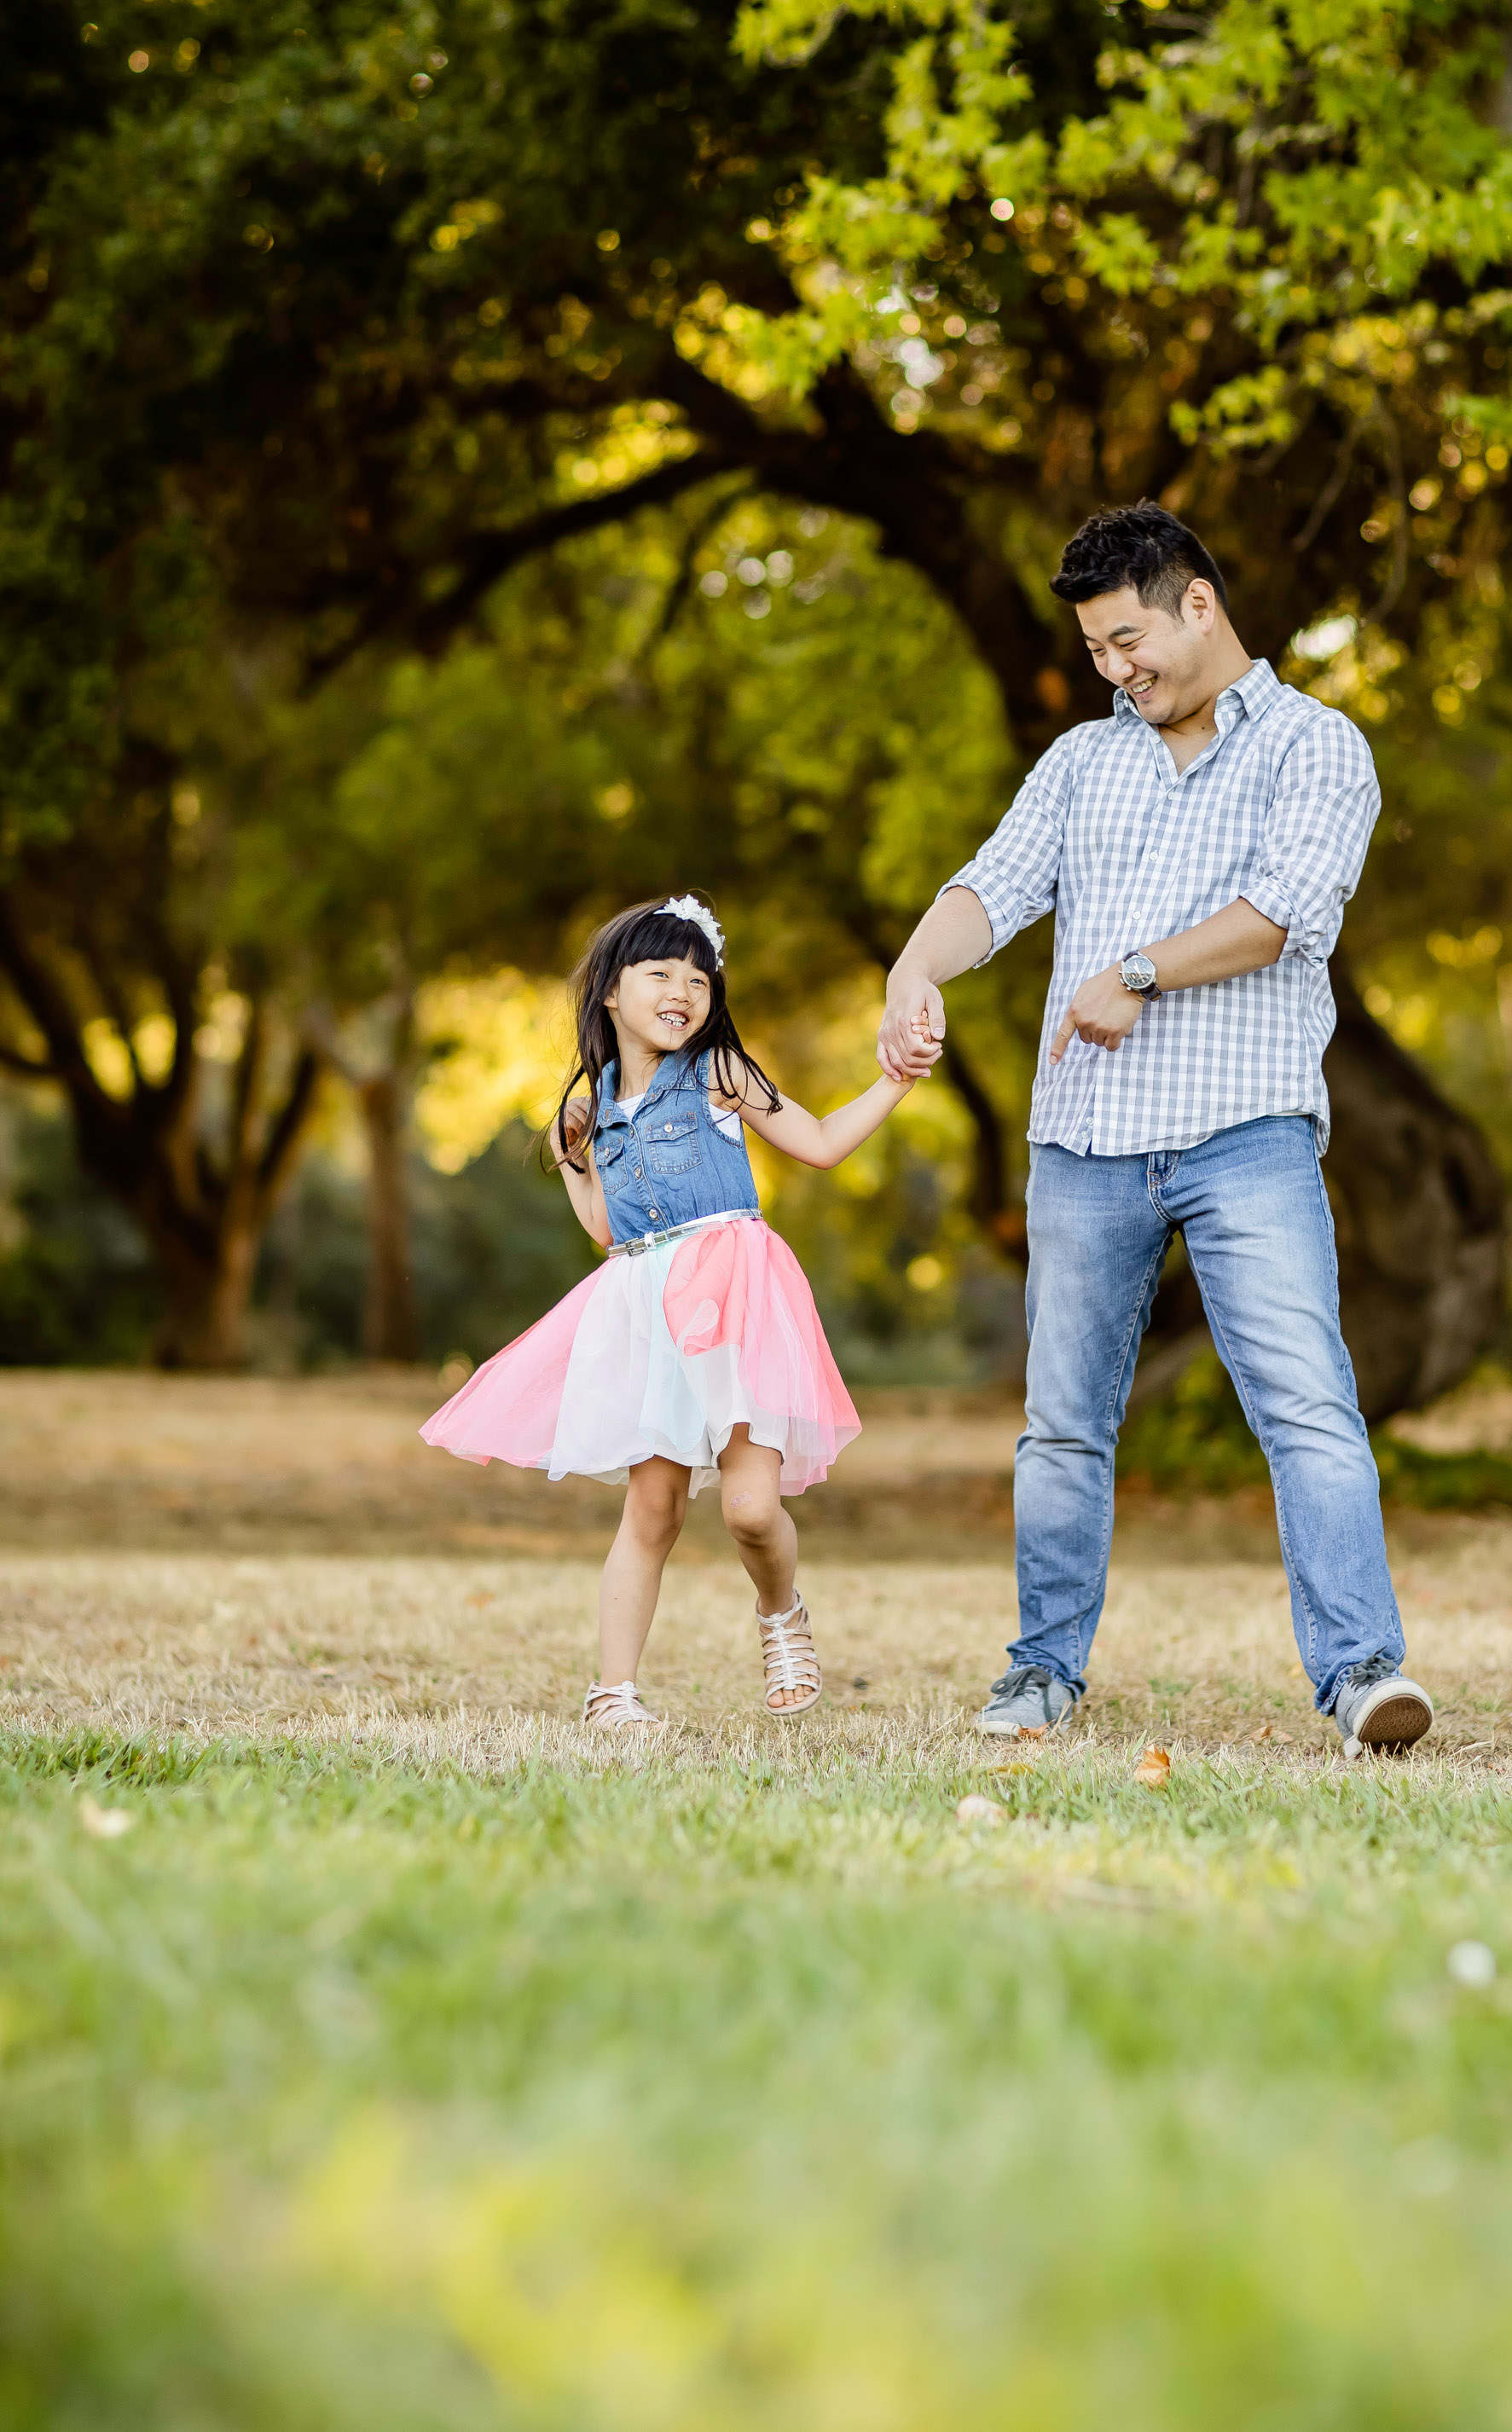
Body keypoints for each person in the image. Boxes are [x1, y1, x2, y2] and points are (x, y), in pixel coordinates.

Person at [878, 504, 1434, 1759]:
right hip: (1085, 1144)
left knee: (1306, 1409)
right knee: (1064, 1423)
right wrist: (918, 970)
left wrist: (1136, 969)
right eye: (1096, 652)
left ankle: (1362, 1678)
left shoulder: (1316, 747)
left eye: (1130, 639)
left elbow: (1288, 912)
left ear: (1198, 603)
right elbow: (993, 886)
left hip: (1249, 1136)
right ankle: (1041, 1674)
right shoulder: (1084, 763)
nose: (1118, 670)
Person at [423, 894, 939, 1734]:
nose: (683, 989)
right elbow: (605, 1231)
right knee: (651, 1509)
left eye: (698, 977)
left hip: (736, 1296)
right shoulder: (594, 1104)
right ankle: (613, 1692)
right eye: (660, 971)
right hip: (647, 1311)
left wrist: (894, 1079)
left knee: (746, 1508)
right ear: (610, 993)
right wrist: (572, 1159)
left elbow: (819, 1144)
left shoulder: (719, 1074)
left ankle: (780, 1611)